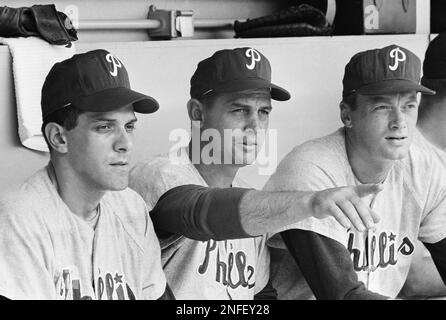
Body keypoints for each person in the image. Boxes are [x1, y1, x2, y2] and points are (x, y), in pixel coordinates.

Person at [129, 47, 384, 299]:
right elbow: (197, 210)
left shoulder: (250, 197)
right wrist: (309, 202)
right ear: (198, 113)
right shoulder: (159, 174)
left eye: (263, 112)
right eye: (239, 110)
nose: (254, 126)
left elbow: (262, 295)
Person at [263, 44, 446, 300]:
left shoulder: (423, 169)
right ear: (347, 115)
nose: (399, 121)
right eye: (382, 107)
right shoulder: (310, 170)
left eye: (408, 106)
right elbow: (343, 295)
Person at [0, 49, 171, 300]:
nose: (125, 143)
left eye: (129, 126)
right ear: (59, 138)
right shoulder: (18, 219)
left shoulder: (131, 208)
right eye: (105, 127)